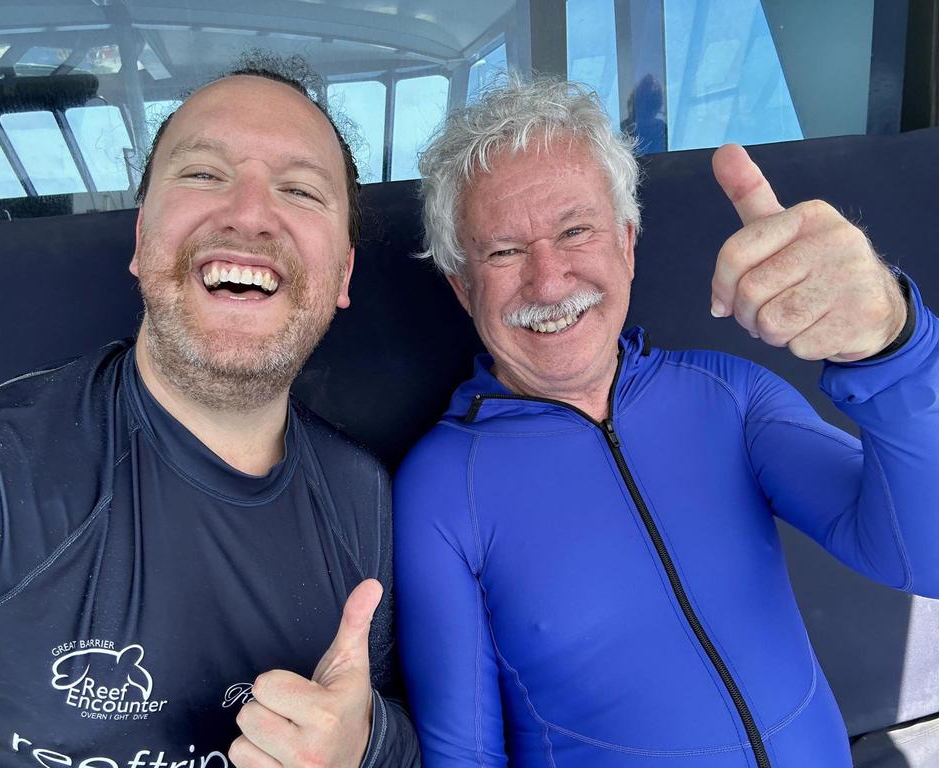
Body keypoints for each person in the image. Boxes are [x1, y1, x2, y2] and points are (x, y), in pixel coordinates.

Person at [394, 77, 939, 767]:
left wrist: (892, 346)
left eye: (576, 230)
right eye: (502, 252)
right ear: (462, 285)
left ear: (626, 241)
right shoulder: (443, 488)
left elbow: (924, 555)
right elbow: (463, 757)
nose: (549, 280)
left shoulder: (728, 396)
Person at [0, 55, 419, 768]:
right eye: (204, 174)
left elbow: (392, 730)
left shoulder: (362, 497)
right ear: (142, 237)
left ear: (342, 273)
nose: (248, 213)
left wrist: (364, 747)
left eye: (300, 189)